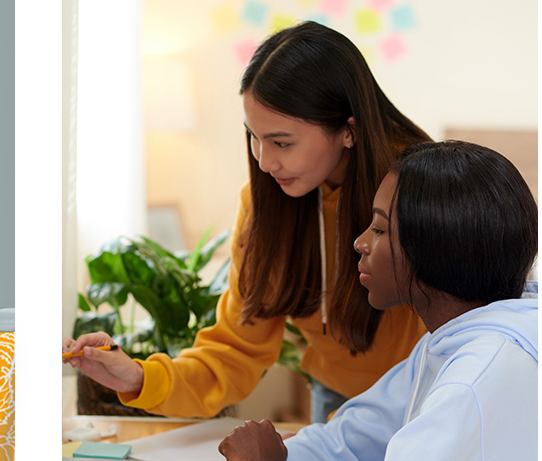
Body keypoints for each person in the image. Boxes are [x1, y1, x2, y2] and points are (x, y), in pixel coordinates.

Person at [120, 141, 538, 461]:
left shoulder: (479, 381)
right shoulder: (457, 341)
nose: (360, 242)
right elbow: (349, 441)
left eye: (380, 229)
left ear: (434, 251)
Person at [65, 21, 431, 422]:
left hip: (427, 402)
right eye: (254, 137)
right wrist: (135, 376)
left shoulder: (425, 192)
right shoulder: (267, 202)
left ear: (348, 130)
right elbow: (235, 349)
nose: (263, 160)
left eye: (281, 142)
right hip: (336, 403)